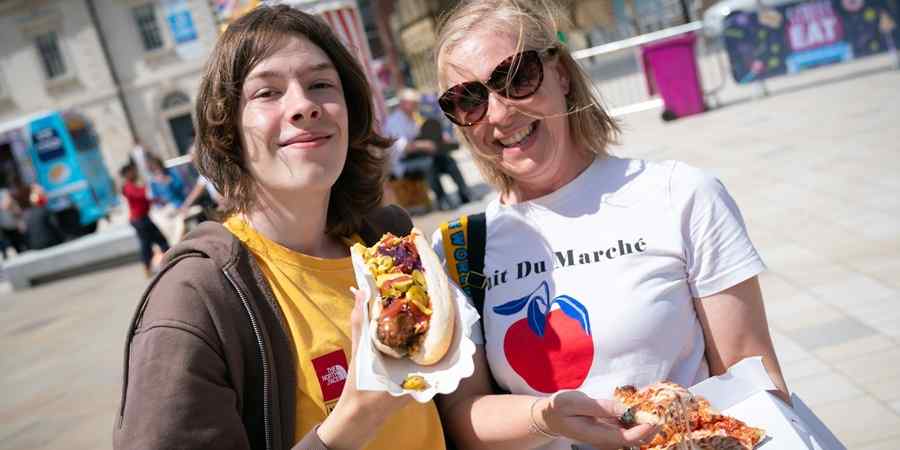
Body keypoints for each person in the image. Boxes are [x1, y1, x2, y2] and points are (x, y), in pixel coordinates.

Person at [430, 1, 790, 449]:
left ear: (560, 73)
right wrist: (546, 417)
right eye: (468, 100)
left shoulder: (681, 195)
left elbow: (754, 380)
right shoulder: (460, 247)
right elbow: (463, 417)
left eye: (517, 77)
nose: (499, 114)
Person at [113, 5, 443, 450]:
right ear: (227, 125)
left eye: (321, 85)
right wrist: (351, 424)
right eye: (267, 92)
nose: (304, 106)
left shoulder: (389, 242)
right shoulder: (195, 301)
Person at [120, 162, 170, 277]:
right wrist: (150, 188)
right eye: (132, 171)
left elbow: (147, 198)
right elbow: (142, 195)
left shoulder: (133, 185)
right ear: (127, 174)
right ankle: (165, 261)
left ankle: (152, 266)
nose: (135, 173)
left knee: (150, 243)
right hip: (139, 220)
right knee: (154, 242)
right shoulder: (128, 187)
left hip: (142, 219)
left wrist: (159, 201)